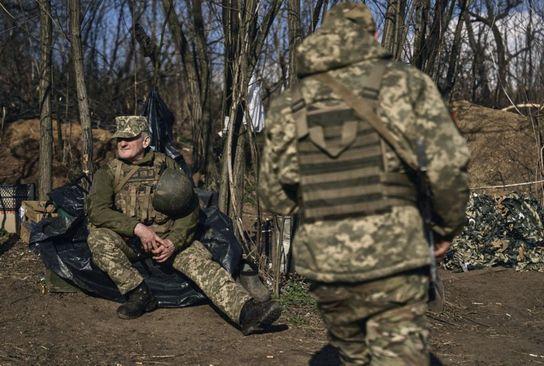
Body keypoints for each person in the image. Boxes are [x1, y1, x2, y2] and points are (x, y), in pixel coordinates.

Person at [259, 3, 469, 365]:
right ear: (372, 36)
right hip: (395, 252)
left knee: (352, 355)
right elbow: (447, 166)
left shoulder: (289, 104)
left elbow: (273, 195)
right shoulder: (407, 84)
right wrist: (445, 226)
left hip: (326, 260)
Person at [86, 115, 280, 335]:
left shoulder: (167, 166)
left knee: (203, 263)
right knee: (98, 239)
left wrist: (173, 241)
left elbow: (190, 210)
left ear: (146, 141)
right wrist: (138, 229)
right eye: (119, 138)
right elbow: (98, 211)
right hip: (130, 241)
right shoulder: (108, 172)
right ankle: (139, 293)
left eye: (129, 138)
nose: (122, 143)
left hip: (167, 240)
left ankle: (246, 312)